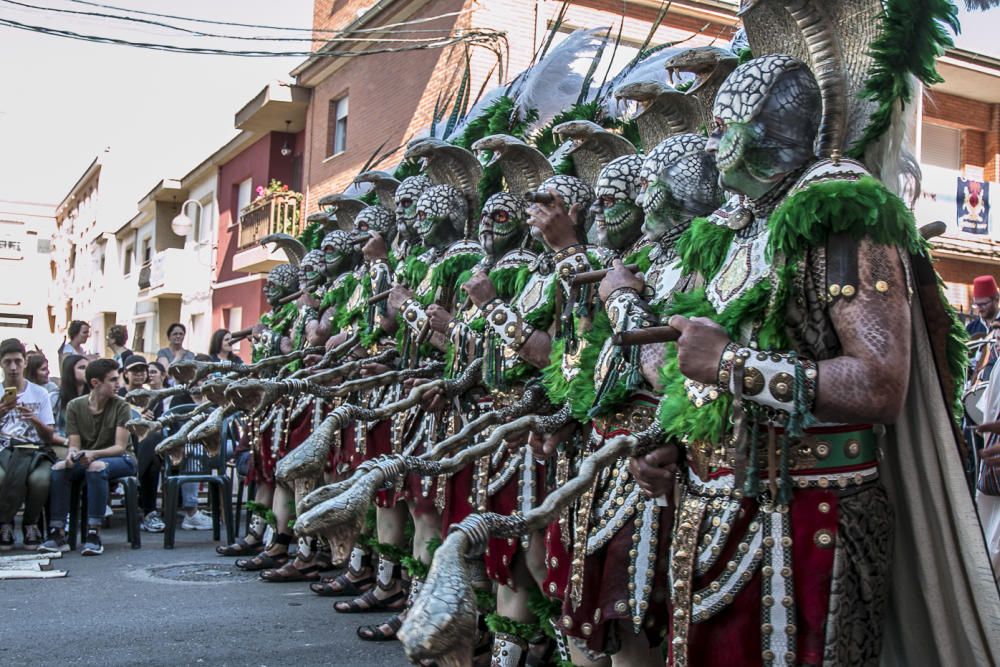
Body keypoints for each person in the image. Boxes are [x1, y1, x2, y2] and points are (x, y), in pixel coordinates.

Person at [39, 359, 136, 555]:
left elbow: (119, 447)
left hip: (121, 458)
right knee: (59, 468)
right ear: (95, 383)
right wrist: (71, 456)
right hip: (88, 457)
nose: (118, 384)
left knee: (96, 467)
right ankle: (57, 532)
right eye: (112, 380)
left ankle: (94, 532)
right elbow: (74, 444)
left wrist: (93, 454)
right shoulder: (75, 406)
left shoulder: (121, 406)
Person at [0, 338, 56, 550]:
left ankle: (30, 524)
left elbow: (49, 435)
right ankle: (4, 523)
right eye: (7, 362)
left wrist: (34, 419)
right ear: (1, 364)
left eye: (17, 361)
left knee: (41, 480)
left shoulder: (40, 393)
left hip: (33, 452)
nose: (13, 367)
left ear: (25, 362)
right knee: (1, 477)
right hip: (3, 450)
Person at [50, 354, 89, 448]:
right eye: (82, 368)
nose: (87, 371)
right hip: (62, 444)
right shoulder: (55, 397)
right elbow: (47, 431)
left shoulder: (93, 396)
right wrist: (68, 443)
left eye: (89, 368)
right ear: (70, 371)